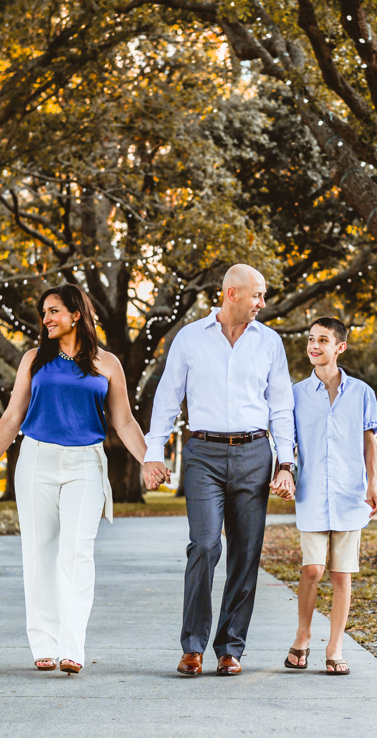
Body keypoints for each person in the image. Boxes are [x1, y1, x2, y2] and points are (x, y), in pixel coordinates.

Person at [0, 284, 149, 675]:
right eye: (44, 313)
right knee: (39, 553)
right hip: (36, 460)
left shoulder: (107, 363)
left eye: (53, 311)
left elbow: (123, 421)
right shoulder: (33, 359)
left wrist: (149, 461)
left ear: (76, 313)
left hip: (86, 465)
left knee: (77, 554)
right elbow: (12, 416)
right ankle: (43, 642)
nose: (46, 319)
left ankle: (72, 645)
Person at [142, 264, 296, 677]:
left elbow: (281, 406)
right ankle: (192, 646)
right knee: (206, 546)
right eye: (257, 295)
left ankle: (230, 649)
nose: (262, 303)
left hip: (254, 453)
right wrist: (153, 453)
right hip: (203, 454)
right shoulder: (190, 338)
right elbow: (167, 398)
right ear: (231, 293)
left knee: (245, 554)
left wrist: (286, 463)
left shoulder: (269, 342)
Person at [278, 317, 377, 676]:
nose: (314, 346)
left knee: (341, 575)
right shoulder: (295, 394)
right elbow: (286, 444)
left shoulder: (363, 393)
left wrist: (374, 482)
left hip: (350, 495)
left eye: (323, 340)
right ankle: (303, 635)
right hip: (311, 494)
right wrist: (285, 473)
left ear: (340, 347)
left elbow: (370, 442)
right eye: (311, 339)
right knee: (312, 569)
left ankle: (335, 645)